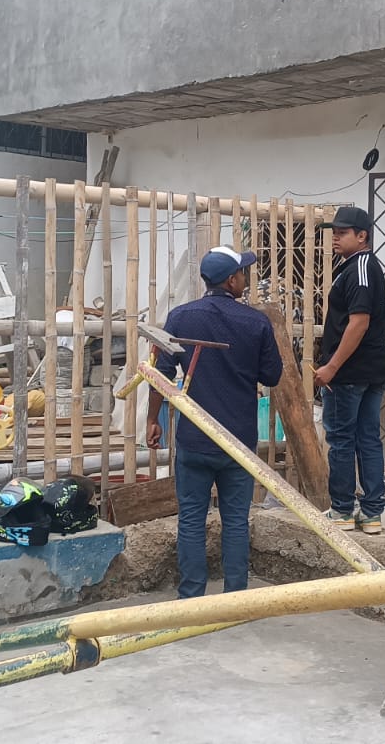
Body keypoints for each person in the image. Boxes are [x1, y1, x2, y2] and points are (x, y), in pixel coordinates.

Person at [147, 246, 283, 599]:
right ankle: (235, 600)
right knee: (235, 520)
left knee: (191, 519)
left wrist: (152, 420)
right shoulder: (255, 322)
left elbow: (160, 373)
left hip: (195, 437)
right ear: (232, 280)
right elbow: (272, 376)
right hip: (238, 440)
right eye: (243, 273)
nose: (246, 278)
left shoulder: (181, 317)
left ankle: (192, 599)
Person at [313, 205, 385, 535]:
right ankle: (371, 513)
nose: (335, 238)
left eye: (342, 233)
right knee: (368, 439)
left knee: (342, 440)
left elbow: (359, 322)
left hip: (351, 373)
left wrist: (331, 366)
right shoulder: (358, 266)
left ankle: (343, 510)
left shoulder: (360, 267)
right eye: (334, 232)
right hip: (370, 371)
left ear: (362, 236)